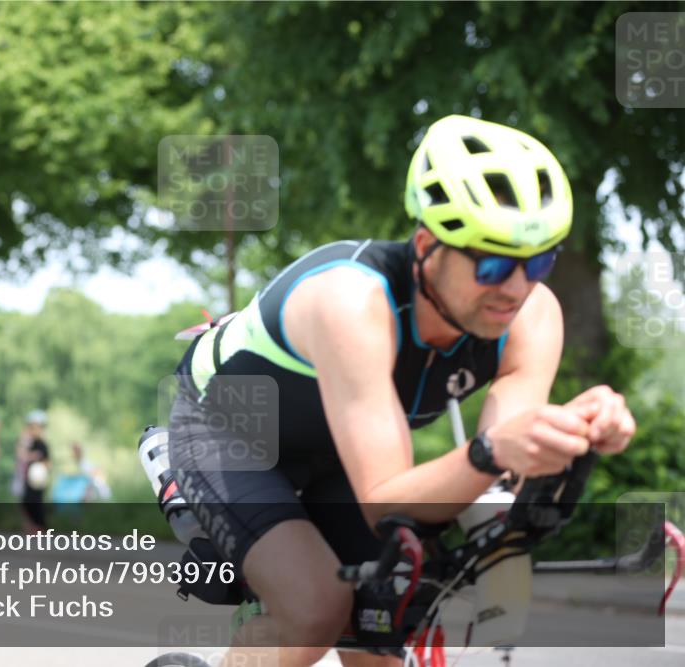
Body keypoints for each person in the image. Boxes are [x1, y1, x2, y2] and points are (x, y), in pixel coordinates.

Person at [166, 115, 637, 667]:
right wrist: (491, 452)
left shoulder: (533, 314)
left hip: (343, 454)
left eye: (539, 261)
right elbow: (392, 498)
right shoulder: (351, 301)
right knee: (316, 608)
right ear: (426, 247)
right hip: (233, 433)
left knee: (381, 626)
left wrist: (571, 434)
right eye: (491, 263)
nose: (516, 288)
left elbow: (498, 476)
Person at [16, 410, 51, 533]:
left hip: (37, 480)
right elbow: (21, 455)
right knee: (26, 502)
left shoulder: (42, 444)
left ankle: (40, 527)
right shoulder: (29, 442)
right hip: (27, 478)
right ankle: (31, 526)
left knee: (37, 503)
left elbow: (47, 461)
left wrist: (42, 472)